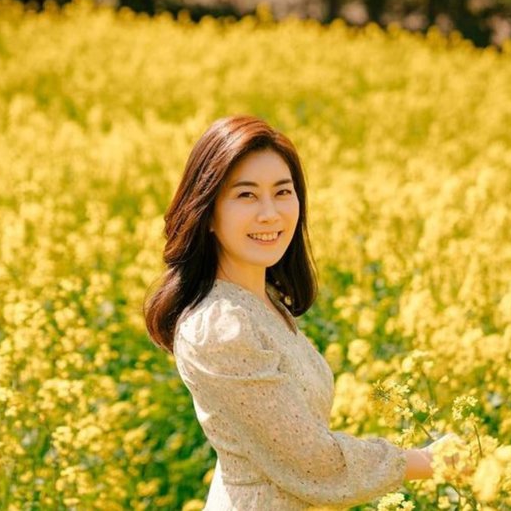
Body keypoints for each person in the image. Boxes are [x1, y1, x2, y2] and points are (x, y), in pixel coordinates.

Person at [144, 115, 451, 510]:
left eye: (282, 192)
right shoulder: (221, 328)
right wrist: (431, 461)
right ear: (207, 214)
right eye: (246, 195)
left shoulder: (262, 303)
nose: (270, 214)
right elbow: (313, 466)